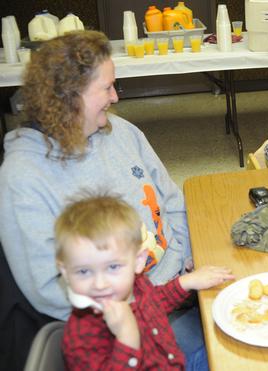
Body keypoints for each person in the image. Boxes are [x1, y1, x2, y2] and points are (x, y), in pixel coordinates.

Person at [0, 31, 200, 360]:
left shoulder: (120, 131)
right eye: (106, 88)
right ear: (69, 97)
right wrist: (147, 305)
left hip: (177, 285)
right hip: (125, 323)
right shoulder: (23, 178)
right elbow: (50, 290)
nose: (115, 97)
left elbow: (172, 202)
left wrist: (184, 262)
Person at [55, 194, 234, 370]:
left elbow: (155, 301)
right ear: (65, 271)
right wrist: (127, 340)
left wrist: (186, 282)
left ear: (139, 261)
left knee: (232, 352)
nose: (100, 284)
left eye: (113, 267)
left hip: (172, 364)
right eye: (84, 271)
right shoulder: (80, 337)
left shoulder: (137, 285)